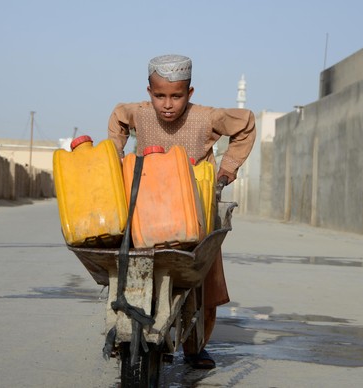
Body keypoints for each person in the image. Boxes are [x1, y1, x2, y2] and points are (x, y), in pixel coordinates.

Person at [107, 54, 256, 369]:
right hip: (147, 212)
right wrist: (115, 155)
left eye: (176, 96)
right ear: (149, 91)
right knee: (135, 266)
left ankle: (194, 346)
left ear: (189, 94)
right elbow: (120, 115)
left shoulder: (205, 118)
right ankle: (131, 330)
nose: (167, 104)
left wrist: (227, 168)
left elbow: (245, 123)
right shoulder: (142, 114)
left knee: (204, 279)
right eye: (160, 95)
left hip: (194, 213)